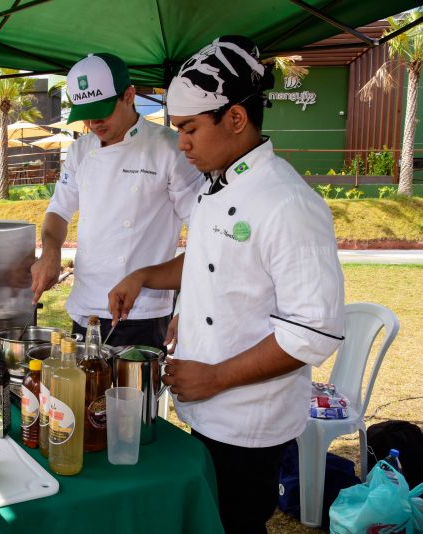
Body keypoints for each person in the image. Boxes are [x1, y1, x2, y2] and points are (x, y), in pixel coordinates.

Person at [108, 36, 345, 533]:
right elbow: (209, 262)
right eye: (177, 130)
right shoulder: (220, 184)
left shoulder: (287, 202)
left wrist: (214, 377)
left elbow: (312, 333)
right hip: (205, 408)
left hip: (248, 418)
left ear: (235, 118)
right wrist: (145, 276)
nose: (182, 144)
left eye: (190, 129)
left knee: (235, 523)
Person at [30, 53, 203, 346]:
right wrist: (50, 251)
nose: (93, 121)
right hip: (84, 307)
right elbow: (59, 211)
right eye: (86, 112)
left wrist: (187, 308)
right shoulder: (80, 151)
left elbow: (204, 233)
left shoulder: (169, 149)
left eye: (103, 110)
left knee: (133, 393)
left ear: (129, 95)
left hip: (143, 311)